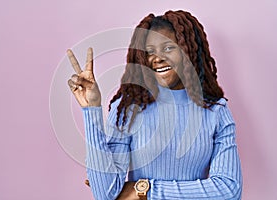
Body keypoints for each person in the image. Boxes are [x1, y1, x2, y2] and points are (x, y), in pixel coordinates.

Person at [67, 10, 242, 200]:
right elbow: (105, 194)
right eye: (149, 52)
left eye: (168, 48)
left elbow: (229, 190)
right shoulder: (128, 108)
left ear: (188, 51)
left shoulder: (216, 110)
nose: (156, 58)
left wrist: (144, 190)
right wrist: (91, 109)